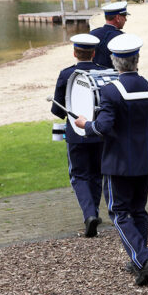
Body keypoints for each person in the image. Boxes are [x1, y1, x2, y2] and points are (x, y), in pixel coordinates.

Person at [74, 34, 148, 286]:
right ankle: (137, 259)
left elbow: (103, 127)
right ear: (137, 59)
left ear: (114, 62)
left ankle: (143, 259)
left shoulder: (110, 91)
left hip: (118, 163)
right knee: (138, 210)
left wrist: (85, 124)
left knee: (119, 212)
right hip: (146, 161)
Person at [51, 34, 106, 237]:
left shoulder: (66, 74)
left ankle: (89, 214)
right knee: (97, 174)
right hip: (98, 131)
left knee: (79, 175)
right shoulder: (102, 72)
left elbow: (57, 110)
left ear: (75, 53)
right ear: (93, 53)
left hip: (75, 132)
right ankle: (94, 213)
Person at [90, 1, 128, 68]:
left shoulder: (92, 34)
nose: (126, 19)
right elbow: (125, 64)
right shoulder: (120, 37)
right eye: (124, 16)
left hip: (93, 75)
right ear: (118, 18)